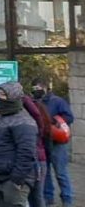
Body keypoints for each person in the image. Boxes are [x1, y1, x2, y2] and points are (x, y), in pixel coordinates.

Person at [0, 82, 37, 207]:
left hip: (14, 179)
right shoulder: (0, 119)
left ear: (13, 96)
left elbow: (26, 153)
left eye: (3, 95)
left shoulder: (24, 121)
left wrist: (16, 179)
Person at [32, 79, 74, 207]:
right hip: (43, 142)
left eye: (38, 88)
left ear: (45, 88)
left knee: (61, 172)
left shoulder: (57, 101)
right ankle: (48, 198)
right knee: (46, 173)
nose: (36, 91)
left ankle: (67, 199)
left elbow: (69, 117)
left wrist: (55, 122)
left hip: (58, 142)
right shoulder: (35, 102)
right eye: (34, 89)